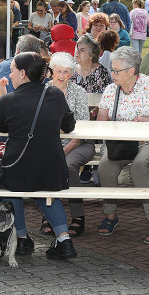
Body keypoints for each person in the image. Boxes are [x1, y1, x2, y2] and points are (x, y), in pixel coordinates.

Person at [0, 51, 78, 260]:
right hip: (52, 166)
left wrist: (4, 94)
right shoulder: (56, 94)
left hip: (18, 165)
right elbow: (69, 126)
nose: (10, 74)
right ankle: (64, 240)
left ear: (23, 73)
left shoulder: (9, 100)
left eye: (12, 70)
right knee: (45, 194)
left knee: (11, 191)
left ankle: (22, 239)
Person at [96, 47, 149, 243]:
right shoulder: (111, 90)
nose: (112, 74)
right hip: (120, 144)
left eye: (116, 71)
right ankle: (110, 215)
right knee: (105, 166)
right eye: (112, 70)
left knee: (139, 167)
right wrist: (107, 124)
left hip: (148, 142)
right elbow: (101, 122)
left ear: (131, 71)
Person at [40, 52, 94, 237]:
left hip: (79, 144)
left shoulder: (78, 92)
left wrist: (62, 150)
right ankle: (48, 214)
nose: (62, 75)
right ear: (51, 71)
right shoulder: (43, 91)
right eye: (58, 71)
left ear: (71, 73)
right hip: (50, 143)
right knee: (47, 165)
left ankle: (78, 217)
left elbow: (81, 128)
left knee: (68, 166)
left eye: (66, 71)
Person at [0, 34, 46, 99]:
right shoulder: (44, 67)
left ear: (17, 50)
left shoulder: (4, 66)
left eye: (12, 71)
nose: (10, 75)